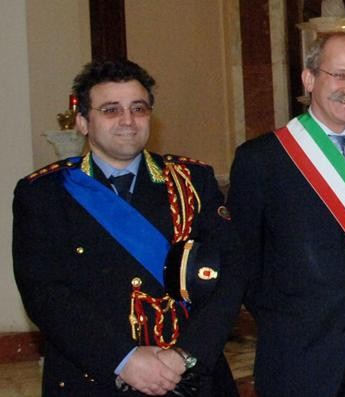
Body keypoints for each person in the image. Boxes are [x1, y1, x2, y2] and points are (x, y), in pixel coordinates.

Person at [12, 59, 243, 396]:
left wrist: (186, 356)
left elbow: (230, 274)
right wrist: (124, 360)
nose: (128, 120)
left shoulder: (192, 181)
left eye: (139, 108)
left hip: (189, 376)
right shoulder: (45, 193)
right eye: (110, 110)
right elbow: (45, 292)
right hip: (95, 376)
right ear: (82, 121)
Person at [227, 32, 345, 396]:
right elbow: (243, 259)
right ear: (309, 79)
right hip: (296, 354)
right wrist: (288, 318)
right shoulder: (261, 159)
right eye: (340, 75)